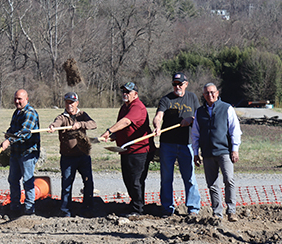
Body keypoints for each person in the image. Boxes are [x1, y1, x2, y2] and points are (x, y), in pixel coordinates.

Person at [100, 82, 154, 216]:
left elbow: (126, 122)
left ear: (135, 94)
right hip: (125, 150)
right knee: (127, 179)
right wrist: (114, 135)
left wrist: (109, 130)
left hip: (139, 150)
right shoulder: (124, 107)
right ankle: (134, 203)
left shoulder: (137, 107)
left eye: (128, 92)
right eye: (123, 91)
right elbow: (124, 127)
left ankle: (138, 209)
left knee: (136, 180)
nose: (125, 94)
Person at [153, 72, 201, 217]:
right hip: (168, 144)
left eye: (180, 84)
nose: (177, 87)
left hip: (186, 144)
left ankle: (193, 208)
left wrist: (190, 119)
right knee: (166, 177)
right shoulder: (166, 99)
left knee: (190, 177)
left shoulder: (192, 97)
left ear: (186, 84)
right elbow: (158, 115)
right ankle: (167, 209)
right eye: (174, 84)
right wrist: (157, 125)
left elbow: (199, 117)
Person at [192, 83, 242, 222]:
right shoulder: (199, 112)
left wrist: (235, 149)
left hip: (224, 151)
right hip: (207, 153)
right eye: (207, 93)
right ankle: (217, 213)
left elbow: (235, 130)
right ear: (203, 95)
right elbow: (195, 134)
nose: (210, 95)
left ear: (217, 93)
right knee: (212, 184)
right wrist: (196, 153)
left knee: (229, 180)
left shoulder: (227, 108)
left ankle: (231, 211)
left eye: (212, 92)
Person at [48, 92, 97, 217]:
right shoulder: (62, 117)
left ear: (77, 103)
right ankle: (65, 211)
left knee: (88, 182)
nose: (69, 105)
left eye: (72, 102)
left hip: (83, 156)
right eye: (67, 102)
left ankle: (88, 208)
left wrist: (80, 124)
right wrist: (53, 127)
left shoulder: (82, 115)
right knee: (66, 184)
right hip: (68, 157)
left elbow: (93, 124)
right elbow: (56, 123)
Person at [1, 89, 40, 215]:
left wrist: (8, 141)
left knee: (27, 181)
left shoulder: (30, 113)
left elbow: (24, 133)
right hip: (16, 153)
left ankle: (29, 209)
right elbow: (13, 129)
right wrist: (8, 133)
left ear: (26, 99)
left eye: (20, 99)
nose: (17, 101)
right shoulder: (17, 112)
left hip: (27, 153)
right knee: (13, 180)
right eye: (15, 99)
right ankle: (14, 207)